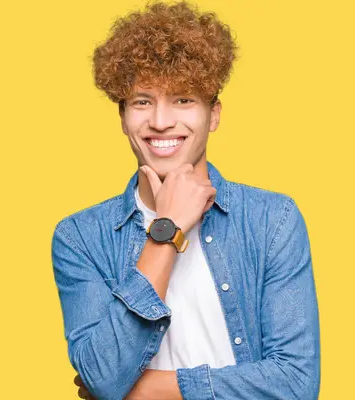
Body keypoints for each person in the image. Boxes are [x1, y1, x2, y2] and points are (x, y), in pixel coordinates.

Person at [50, 1, 321, 399]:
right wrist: (167, 229)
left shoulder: (272, 221)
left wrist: (145, 390)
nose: (161, 121)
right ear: (122, 116)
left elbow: (296, 385)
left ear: (213, 115)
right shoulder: (81, 237)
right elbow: (104, 376)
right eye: (143, 100)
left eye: (183, 99)